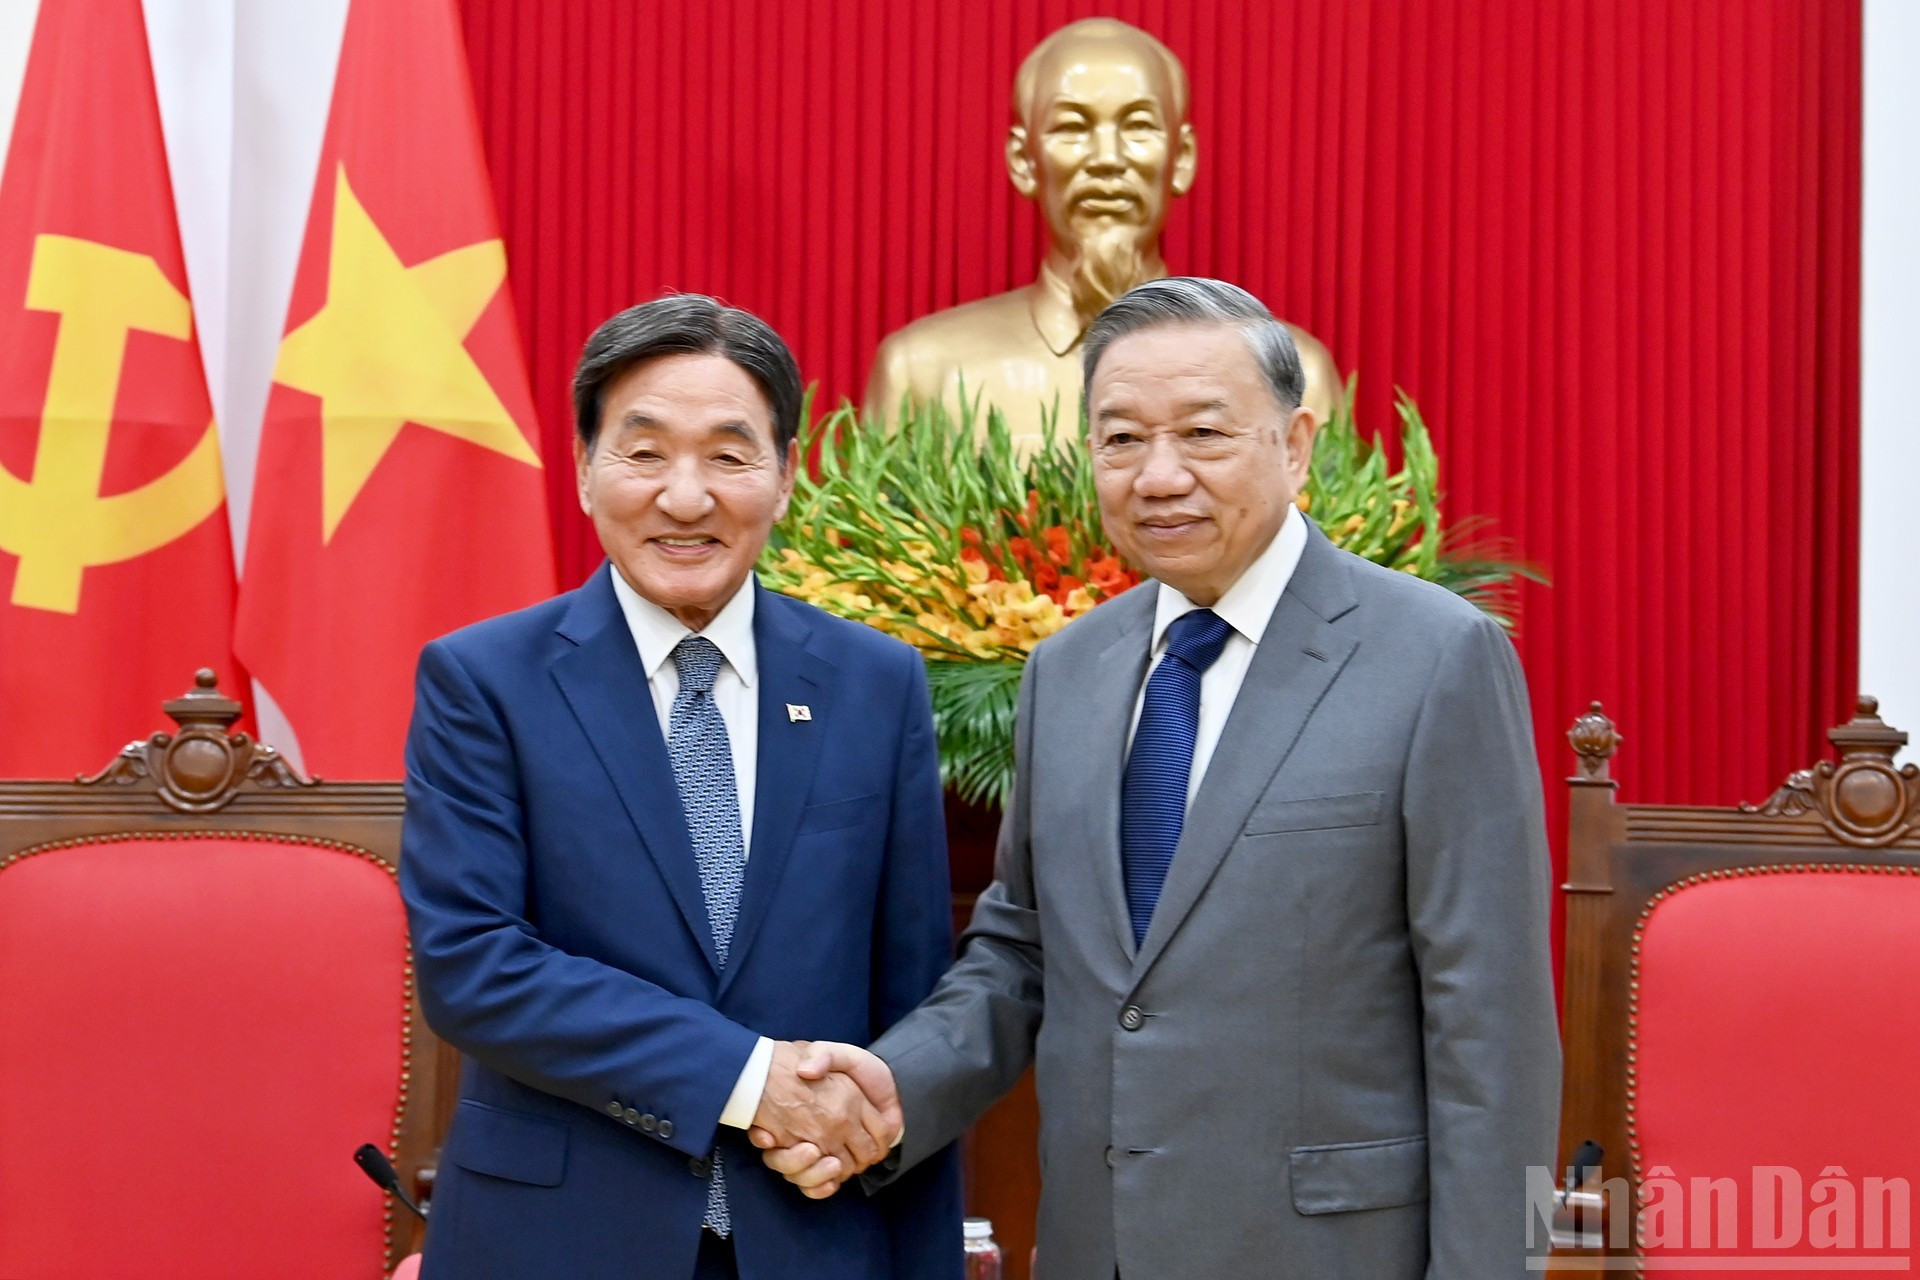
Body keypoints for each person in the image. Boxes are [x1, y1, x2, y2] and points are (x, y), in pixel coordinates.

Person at [766, 278, 1560, 1278]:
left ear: (1296, 443)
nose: (1160, 474)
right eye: (1122, 439)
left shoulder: (1435, 656)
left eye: (1204, 434)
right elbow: (1021, 953)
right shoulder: (1068, 669)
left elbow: (1490, 1030)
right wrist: (887, 1089)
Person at [400, 294, 962, 1280]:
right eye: (645, 451)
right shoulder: (484, 679)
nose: (687, 497)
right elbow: (473, 964)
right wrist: (748, 1079)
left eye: (730, 454)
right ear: (583, 470)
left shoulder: (875, 682)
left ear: (786, 476)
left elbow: (908, 998)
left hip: (816, 1232)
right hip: (559, 1238)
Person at [865, 18, 1339, 450]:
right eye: (1072, 128)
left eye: (1138, 126)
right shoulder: (922, 372)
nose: (1107, 158)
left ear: (1183, 158)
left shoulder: (1296, 374)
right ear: (1023, 161)